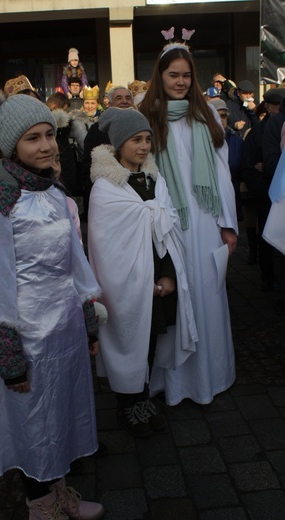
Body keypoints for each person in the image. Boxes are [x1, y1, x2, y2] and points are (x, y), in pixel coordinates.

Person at [0, 91, 104, 520]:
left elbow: (76, 265)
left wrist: (88, 324)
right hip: (26, 337)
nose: (46, 145)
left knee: (61, 413)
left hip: (64, 329)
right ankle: (40, 505)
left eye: (50, 134)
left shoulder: (53, 190)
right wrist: (11, 361)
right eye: (33, 138)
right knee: (33, 423)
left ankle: (61, 490)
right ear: (12, 146)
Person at [140, 32, 238, 406]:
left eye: (185, 75)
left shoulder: (207, 113)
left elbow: (222, 172)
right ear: (160, 77)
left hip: (205, 217)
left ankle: (210, 376)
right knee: (176, 296)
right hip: (168, 218)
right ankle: (175, 384)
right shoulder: (147, 114)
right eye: (172, 75)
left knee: (208, 295)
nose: (180, 82)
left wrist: (227, 224)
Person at [88, 107, 197, 437]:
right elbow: (107, 248)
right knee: (129, 337)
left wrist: (167, 275)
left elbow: (167, 231)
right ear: (119, 144)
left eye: (148, 139)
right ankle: (127, 405)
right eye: (136, 139)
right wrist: (139, 282)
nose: (144, 146)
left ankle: (142, 398)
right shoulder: (105, 189)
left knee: (150, 338)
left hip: (158, 275)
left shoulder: (155, 180)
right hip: (129, 283)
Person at [243, 88, 285, 291]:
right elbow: (249, 166)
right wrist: (263, 192)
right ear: (267, 106)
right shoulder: (259, 131)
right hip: (269, 195)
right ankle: (268, 280)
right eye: (275, 104)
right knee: (269, 241)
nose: (278, 107)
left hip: (274, 191)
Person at [80, 86, 134, 218]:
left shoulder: (140, 127)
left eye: (128, 98)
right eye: (119, 98)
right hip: (108, 195)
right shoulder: (97, 129)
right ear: (109, 104)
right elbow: (88, 164)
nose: (124, 101)